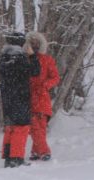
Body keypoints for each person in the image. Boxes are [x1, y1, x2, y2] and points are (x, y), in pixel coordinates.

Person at [0, 30, 39, 168]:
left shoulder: (3, 58)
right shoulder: (20, 58)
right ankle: (17, 158)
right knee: (21, 127)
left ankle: (8, 158)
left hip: (7, 98)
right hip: (20, 97)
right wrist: (32, 56)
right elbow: (35, 71)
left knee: (10, 128)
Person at [26, 32, 60, 162]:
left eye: (36, 42)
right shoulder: (24, 59)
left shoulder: (47, 60)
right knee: (34, 126)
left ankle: (36, 151)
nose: (34, 45)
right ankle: (44, 151)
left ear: (41, 44)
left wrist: (45, 85)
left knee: (40, 127)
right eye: (32, 42)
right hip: (28, 97)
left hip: (42, 97)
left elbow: (55, 77)